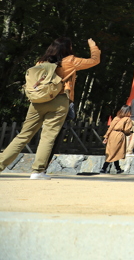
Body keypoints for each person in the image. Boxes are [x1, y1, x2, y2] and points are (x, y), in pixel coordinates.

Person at [0, 37, 101, 179]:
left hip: (38, 100)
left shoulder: (41, 62)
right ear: (68, 48)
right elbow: (94, 60)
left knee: (23, 135)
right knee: (48, 137)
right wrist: (93, 46)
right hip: (58, 101)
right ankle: (37, 171)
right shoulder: (70, 61)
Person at [102, 105, 133, 173]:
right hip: (119, 135)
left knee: (113, 151)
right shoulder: (127, 119)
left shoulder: (116, 117)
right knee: (115, 152)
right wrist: (130, 132)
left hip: (112, 135)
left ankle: (118, 168)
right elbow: (126, 129)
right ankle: (104, 167)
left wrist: (106, 136)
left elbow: (110, 127)